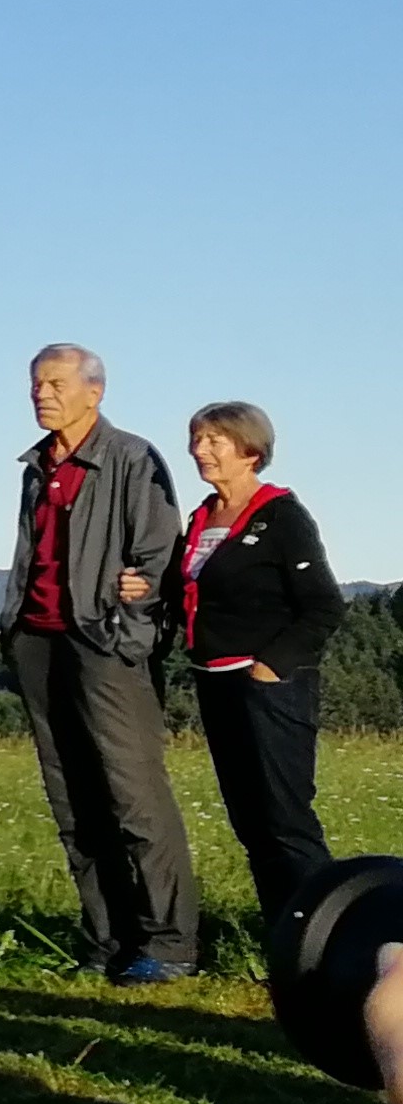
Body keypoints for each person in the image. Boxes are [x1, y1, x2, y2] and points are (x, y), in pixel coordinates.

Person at [5, 342, 197, 982]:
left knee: (134, 797)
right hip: (39, 640)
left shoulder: (131, 458)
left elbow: (157, 556)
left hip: (104, 645)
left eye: (55, 383)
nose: (42, 394)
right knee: (72, 800)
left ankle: (169, 945)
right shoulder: (38, 465)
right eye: (36, 383)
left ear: (96, 391)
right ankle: (109, 941)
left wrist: (127, 633)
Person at [174, 399, 345, 941]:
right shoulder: (202, 517)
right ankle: (283, 936)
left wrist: (270, 667)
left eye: (213, 440)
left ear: (250, 451)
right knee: (251, 822)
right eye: (196, 439)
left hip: (270, 686)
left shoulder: (281, 516)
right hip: (213, 680)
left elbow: (323, 605)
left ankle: (328, 941)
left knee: (286, 820)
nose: (199, 450)